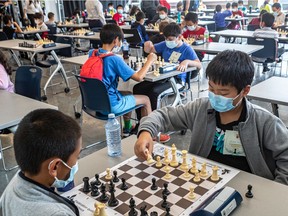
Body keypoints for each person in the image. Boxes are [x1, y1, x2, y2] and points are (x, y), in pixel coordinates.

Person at [134, 50, 288, 186]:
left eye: (224, 92)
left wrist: (277, 190)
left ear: (245, 90)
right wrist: (146, 132)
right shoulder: (199, 108)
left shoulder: (265, 122)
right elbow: (163, 116)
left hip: (249, 185)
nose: (215, 96)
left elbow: (285, 157)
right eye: (211, 88)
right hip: (202, 180)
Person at [0, 109, 82, 215]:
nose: (76, 162)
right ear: (54, 167)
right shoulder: (57, 213)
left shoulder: (16, 182)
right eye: (77, 156)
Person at [85, 24, 157, 136]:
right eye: (121, 40)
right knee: (146, 100)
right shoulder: (114, 59)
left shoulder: (92, 53)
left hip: (93, 103)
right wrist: (149, 61)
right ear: (116, 40)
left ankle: (127, 130)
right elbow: (139, 77)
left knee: (128, 93)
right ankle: (149, 134)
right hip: (111, 105)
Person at [133, 23, 201, 142]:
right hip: (162, 77)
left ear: (179, 37)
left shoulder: (186, 48)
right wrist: (147, 47)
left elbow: (199, 64)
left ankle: (155, 129)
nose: (167, 41)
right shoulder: (165, 44)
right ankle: (142, 124)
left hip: (178, 80)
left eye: (170, 39)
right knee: (138, 88)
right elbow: (151, 49)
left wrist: (186, 61)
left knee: (154, 93)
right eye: (165, 39)